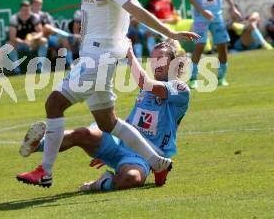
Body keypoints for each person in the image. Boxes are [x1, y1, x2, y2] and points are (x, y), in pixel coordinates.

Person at [16, 0, 199, 188]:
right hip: (95, 58)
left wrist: (170, 34)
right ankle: (156, 162)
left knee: (54, 103)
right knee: (107, 122)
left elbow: (136, 10)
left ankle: (45, 171)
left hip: (98, 60)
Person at [19, 41, 189, 191]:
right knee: (82, 134)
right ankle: (37, 144)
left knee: (131, 179)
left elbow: (145, 82)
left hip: (144, 155)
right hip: (120, 142)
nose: (156, 63)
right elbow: (134, 121)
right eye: (153, 59)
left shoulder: (180, 90)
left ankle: (100, 183)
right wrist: (109, 149)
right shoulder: (147, 90)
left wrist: (129, 53)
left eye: (162, 58)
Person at [185, 0, 241, 89]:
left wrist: (232, 7)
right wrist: (203, 11)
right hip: (200, 16)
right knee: (200, 46)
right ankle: (193, 78)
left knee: (222, 46)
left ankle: (221, 77)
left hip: (217, 15)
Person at [30, 0, 75, 68]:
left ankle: (70, 64)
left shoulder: (45, 15)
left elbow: (53, 28)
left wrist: (53, 48)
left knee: (64, 40)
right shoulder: (28, 16)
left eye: (39, 5)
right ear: (31, 5)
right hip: (36, 39)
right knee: (46, 28)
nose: (38, 6)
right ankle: (67, 35)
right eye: (35, 4)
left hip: (49, 37)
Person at [7, 0, 48, 74]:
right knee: (9, 44)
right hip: (19, 44)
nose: (25, 12)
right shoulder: (14, 18)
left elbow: (40, 33)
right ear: (20, 10)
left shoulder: (34, 17)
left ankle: (40, 68)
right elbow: (12, 37)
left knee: (43, 41)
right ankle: (17, 70)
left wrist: (33, 38)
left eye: (27, 10)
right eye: (23, 10)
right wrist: (23, 41)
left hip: (32, 43)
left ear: (30, 9)